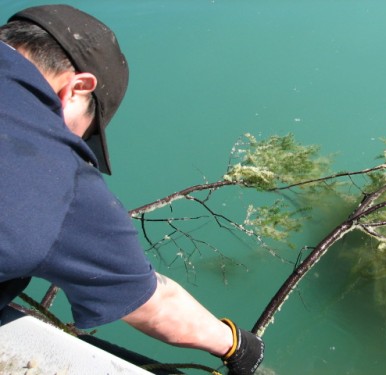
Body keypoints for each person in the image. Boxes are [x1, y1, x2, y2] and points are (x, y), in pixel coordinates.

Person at [0, 4, 264, 374]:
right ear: (77, 88)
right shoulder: (59, 180)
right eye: (84, 131)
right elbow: (155, 307)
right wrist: (241, 347)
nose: (74, 142)